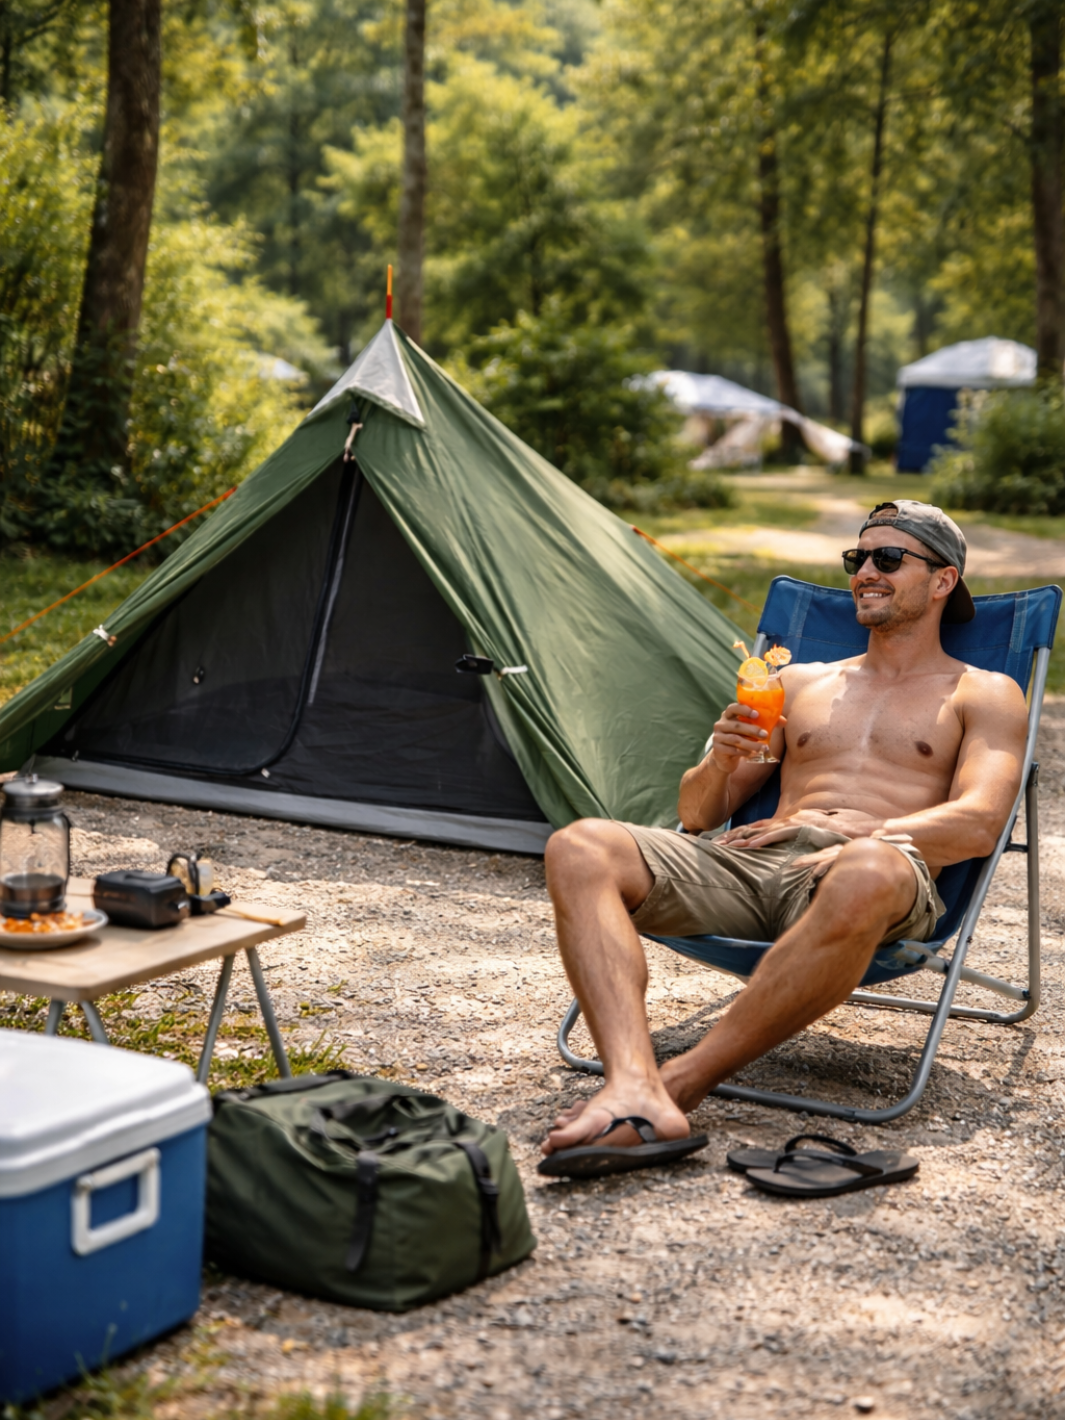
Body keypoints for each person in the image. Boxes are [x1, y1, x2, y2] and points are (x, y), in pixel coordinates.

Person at [540, 500, 1028, 1173]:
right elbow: (698, 814)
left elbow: (977, 823)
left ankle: (678, 1084)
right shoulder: (795, 681)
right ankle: (629, 1083)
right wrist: (717, 757)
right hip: (754, 868)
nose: (865, 573)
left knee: (865, 867)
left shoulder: (985, 691)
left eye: (888, 559)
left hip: (870, 876)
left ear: (942, 580)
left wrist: (869, 832)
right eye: (857, 559)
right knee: (579, 844)